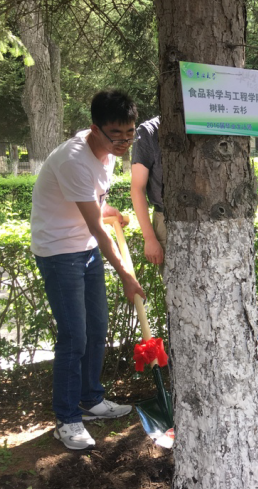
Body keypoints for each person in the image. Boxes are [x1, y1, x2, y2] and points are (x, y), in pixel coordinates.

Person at [30, 90, 146, 450]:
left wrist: (112, 212)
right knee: (74, 337)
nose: (124, 141)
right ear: (95, 129)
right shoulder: (74, 160)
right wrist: (127, 276)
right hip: (59, 252)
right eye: (116, 134)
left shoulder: (108, 153)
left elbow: (93, 206)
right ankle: (67, 419)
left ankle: (90, 399)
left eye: (130, 133)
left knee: (97, 328)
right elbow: (95, 226)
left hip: (86, 248)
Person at [130, 116, 165, 268]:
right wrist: (149, 238)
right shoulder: (149, 131)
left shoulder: (214, 122)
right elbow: (137, 188)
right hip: (167, 221)